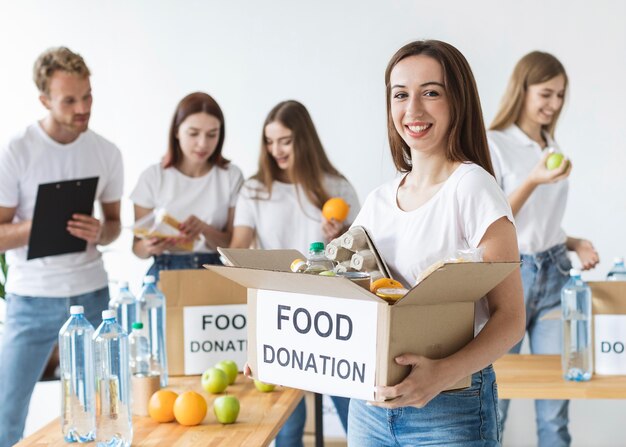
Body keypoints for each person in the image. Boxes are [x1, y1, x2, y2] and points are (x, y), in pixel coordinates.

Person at [347, 40, 525, 446]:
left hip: (448, 406)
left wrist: (441, 375)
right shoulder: (377, 201)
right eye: (400, 95)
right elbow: (340, 291)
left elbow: (511, 317)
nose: (413, 110)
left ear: (456, 100)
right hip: (370, 406)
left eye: (431, 92)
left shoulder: (473, 188)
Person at [0, 47, 123, 446]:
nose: (82, 107)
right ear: (45, 100)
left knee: (100, 409)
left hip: (91, 295)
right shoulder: (16, 150)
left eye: (87, 96)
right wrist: (40, 226)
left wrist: (99, 231)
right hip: (30, 299)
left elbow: (115, 226)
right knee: (6, 412)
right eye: (69, 100)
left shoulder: (106, 152)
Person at [231, 100, 359, 446]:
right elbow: (239, 246)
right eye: (269, 142)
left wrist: (342, 235)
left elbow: (363, 256)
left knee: (351, 407)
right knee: (287, 420)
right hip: (281, 312)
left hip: (332, 313)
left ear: (304, 139)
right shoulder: (255, 190)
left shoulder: (337, 187)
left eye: (284, 140)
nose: (275, 150)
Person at [488, 51, 599, 447]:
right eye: (546, 93)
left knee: (555, 404)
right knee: (494, 404)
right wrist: (533, 179)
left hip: (555, 274)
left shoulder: (550, 143)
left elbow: (540, 223)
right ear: (523, 89)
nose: (553, 105)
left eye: (560, 96)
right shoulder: (495, 143)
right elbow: (494, 222)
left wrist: (573, 242)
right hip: (510, 276)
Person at [131, 92, 243, 280]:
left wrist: (205, 229)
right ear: (176, 131)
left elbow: (234, 246)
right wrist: (149, 246)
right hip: (166, 269)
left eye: (212, 135)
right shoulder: (153, 177)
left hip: (216, 271)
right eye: (193, 134)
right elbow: (137, 249)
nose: (202, 144)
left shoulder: (230, 176)